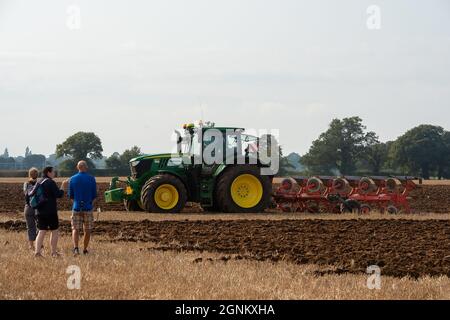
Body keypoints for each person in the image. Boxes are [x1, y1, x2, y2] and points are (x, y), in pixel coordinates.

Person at [34, 167, 68, 257]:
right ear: (48, 173)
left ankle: (37, 252)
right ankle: (53, 252)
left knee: (41, 231)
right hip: (51, 211)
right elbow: (59, 194)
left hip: (40, 211)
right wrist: (63, 187)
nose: (54, 173)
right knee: (54, 231)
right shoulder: (50, 182)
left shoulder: (39, 181)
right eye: (53, 172)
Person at [68, 160, 97, 255]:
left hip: (76, 207)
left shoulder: (72, 179)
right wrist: (90, 204)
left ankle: (76, 248)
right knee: (87, 230)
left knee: (75, 229)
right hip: (88, 207)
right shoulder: (91, 178)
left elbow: (71, 196)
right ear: (86, 167)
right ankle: (85, 249)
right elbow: (94, 195)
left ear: (78, 167)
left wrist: (76, 203)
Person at [23, 167, 39, 250]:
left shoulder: (26, 184)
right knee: (40, 226)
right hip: (38, 208)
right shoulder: (40, 183)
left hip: (28, 207)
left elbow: (26, 194)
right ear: (37, 175)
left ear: (29, 174)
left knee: (30, 227)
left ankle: (31, 245)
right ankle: (38, 243)